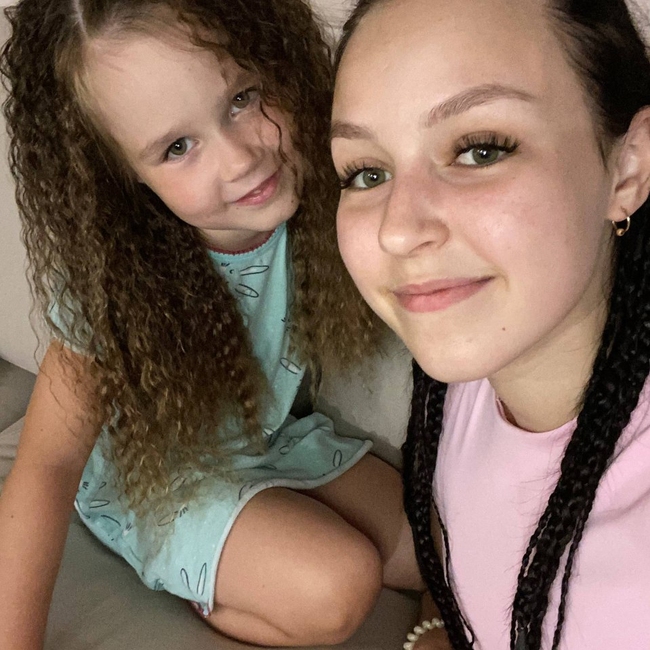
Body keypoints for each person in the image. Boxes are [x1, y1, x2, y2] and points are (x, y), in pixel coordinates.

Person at [0, 1, 423, 648]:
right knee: (339, 585)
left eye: (242, 99)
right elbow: (48, 467)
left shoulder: (325, 186)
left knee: (433, 547)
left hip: (269, 438)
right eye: (177, 148)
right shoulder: (111, 287)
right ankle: (202, 586)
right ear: (120, 177)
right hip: (158, 481)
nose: (239, 160)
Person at [332, 0, 650, 648]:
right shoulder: (469, 380)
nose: (397, 230)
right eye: (367, 172)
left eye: (479, 150)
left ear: (629, 168)